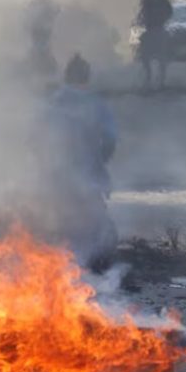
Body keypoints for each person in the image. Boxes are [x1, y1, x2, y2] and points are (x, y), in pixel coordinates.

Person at [43, 54, 118, 270]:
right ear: (87, 77)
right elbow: (110, 139)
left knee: (63, 221)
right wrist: (100, 159)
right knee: (93, 220)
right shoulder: (96, 104)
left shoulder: (53, 102)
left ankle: (66, 267)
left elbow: (34, 139)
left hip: (58, 176)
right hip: (89, 173)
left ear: (67, 77)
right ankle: (86, 266)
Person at [135, 0, 173, 91]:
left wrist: (162, 19)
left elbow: (169, 11)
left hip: (159, 28)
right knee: (145, 54)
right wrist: (141, 20)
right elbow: (142, 12)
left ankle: (161, 80)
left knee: (161, 56)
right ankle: (149, 77)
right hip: (150, 29)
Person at [24, 0, 60, 79]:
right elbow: (28, 15)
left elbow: (55, 12)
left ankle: (43, 67)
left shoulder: (47, 5)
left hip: (43, 30)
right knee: (39, 48)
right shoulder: (35, 4)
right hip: (38, 30)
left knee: (42, 48)